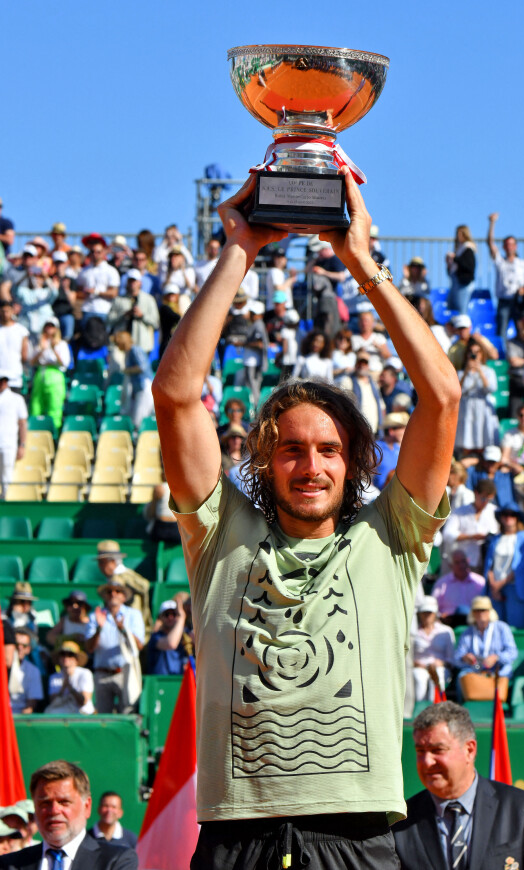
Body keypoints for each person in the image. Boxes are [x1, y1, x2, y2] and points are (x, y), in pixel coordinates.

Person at [152, 168, 460, 869]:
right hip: (238, 838)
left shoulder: (391, 537)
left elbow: (442, 395)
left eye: (329, 450)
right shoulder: (219, 536)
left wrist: (361, 260)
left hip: (358, 836)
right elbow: (175, 395)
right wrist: (240, 246)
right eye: (291, 450)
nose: (311, 466)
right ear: (265, 461)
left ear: (353, 463)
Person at [393, 701, 524, 869]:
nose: (427, 762)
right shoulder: (401, 822)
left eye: (437, 750)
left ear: (469, 750)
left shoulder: (521, 810)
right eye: (420, 751)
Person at [0, 760, 138, 869]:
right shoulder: (9, 864)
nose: (54, 810)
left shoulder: (116, 861)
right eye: (45, 803)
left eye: (64, 802)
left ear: (87, 806)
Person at [84, 578, 145, 714]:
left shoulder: (133, 615)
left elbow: (139, 646)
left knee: (128, 713)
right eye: (109, 591)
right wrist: (99, 629)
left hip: (125, 672)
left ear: (124, 596)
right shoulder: (95, 616)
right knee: (103, 718)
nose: (113, 594)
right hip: (101, 673)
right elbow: (89, 648)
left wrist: (123, 630)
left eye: (118, 591)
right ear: (104, 595)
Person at [484, 502, 524, 628]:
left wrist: (501, 583)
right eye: (505, 514)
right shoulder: (495, 539)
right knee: (494, 626)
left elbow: (522, 566)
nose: (508, 517)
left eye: (512, 515)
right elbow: (489, 565)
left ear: (517, 518)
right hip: (495, 589)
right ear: (500, 517)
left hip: (514, 587)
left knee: (515, 626)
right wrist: (493, 586)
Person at [487, 212, 524, 343]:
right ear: (504, 247)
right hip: (504, 301)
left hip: (518, 302)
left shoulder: (522, 263)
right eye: (507, 244)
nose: (509, 247)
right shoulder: (500, 262)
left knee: (521, 330)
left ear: (516, 246)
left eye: (512, 244)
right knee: (501, 330)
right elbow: (490, 244)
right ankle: (500, 357)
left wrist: (523, 290)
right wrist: (492, 223)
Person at [454, 596, 518, 683]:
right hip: (474, 670)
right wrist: (465, 658)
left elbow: (512, 652)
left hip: (498, 670)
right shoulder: (467, 633)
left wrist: (497, 657)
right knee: (462, 677)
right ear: (472, 613)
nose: (480, 613)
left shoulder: (502, 628)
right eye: (477, 610)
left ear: (490, 612)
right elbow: (457, 657)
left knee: (504, 673)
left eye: (483, 610)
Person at [441, 478, 499, 573]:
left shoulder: (495, 511)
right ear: (476, 493)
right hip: (464, 564)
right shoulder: (460, 512)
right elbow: (447, 534)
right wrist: (471, 537)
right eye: (483, 498)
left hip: (486, 564)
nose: (485, 502)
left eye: (489, 500)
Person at [92, 541, 151, 632]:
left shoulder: (118, 579)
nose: (99, 566)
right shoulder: (124, 576)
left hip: (129, 630)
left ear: (112, 562)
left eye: (101, 562)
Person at [455, 338, 499, 454]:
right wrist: (466, 372)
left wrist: (480, 371)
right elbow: (457, 390)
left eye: (477, 352)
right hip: (466, 408)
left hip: (482, 407)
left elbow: (491, 388)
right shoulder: (460, 372)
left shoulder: (488, 371)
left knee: (482, 436)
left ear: (482, 354)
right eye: (471, 352)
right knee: (466, 436)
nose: (474, 355)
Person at [28, 319, 71, 430]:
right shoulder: (40, 344)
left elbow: (64, 363)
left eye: (51, 326)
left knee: (54, 407)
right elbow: (32, 362)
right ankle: (35, 430)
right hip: (41, 375)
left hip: (55, 377)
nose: (49, 329)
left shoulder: (62, 344)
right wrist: (42, 349)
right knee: (36, 406)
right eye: (47, 326)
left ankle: (53, 433)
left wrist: (53, 348)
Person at [412, 597, 455, 702]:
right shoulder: (413, 632)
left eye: (429, 612)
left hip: (440, 667)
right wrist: (417, 664)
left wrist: (442, 663)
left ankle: (436, 708)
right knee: (420, 679)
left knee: (438, 677)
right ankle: (418, 710)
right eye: (424, 612)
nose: (427, 615)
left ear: (435, 613)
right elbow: (409, 656)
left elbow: (451, 658)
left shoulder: (446, 631)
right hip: (419, 668)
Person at [107, 270, 159, 355]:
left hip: (141, 343)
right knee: (117, 365)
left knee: (141, 367)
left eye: (134, 281)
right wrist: (124, 314)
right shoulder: (119, 299)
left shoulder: (149, 299)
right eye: (130, 281)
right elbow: (109, 320)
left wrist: (142, 315)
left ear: (140, 283)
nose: (132, 283)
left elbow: (156, 323)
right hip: (121, 343)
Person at [112, 331, 154, 431]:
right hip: (138, 389)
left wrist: (126, 371)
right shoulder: (128, 352)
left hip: (144, 387)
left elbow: (142, 367)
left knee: (139, 419)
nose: (118, 347)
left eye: (118, 344)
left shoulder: (135, 349)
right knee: (133, 418)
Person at [431, 550, 485, 625]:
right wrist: (440, 616)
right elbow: (432, 605)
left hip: (474, 623)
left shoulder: (480, 582)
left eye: (463, 561)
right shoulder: (441, 584)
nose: (461, 565)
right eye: (457, 562)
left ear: (468, 561)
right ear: (451, 565)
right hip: (448, 623)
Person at [339, 350, 385, 436]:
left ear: (368, 365)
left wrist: (382, 425)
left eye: (365, 363)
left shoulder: (373, 384)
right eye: (359, 363)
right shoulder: (348, 381)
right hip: (357, 429)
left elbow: (382, 406)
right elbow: (342, 405)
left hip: (375, 431)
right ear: (356, 364)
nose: (362, 366)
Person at [76, 236, 120, 324]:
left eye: (98, 252)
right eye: (92, 252)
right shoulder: (84, 271)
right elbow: (78, 292)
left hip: (104, 311)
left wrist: (96, 292)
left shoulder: (111, 270)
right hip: (87, 310)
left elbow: (114, 293)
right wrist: (84, 293)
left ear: (103, 252)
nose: (95, 254)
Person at [45, 641, 95, 715]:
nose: (66, 658)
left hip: (83, 714)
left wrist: (70, 687)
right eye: (63, 654)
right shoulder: (54, 677)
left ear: (76, 659)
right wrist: (63, 687)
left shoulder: (85, 674)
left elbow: (83, 702)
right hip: (60, 714)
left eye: (70, 655)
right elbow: (53, 702)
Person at [0, 373, 27, 500]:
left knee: (7, 478)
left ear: (5, 382)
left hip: (8, 445)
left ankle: (6, 506)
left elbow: (22, 424)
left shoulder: (17, 399)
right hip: (7, 444)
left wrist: (22, 445)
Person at [146, 599, 188, 675]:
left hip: (179, 681)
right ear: (160, 617)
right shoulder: (155, 637)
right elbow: (171, 644)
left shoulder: (185, 634)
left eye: (174, 614)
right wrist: (182, 617)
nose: (170, 617)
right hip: (159, 683)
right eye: (166, 614)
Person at [10, 629, 44, 714]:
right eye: (17, 645)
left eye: (24, 646)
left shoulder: (33, 671)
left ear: (28, 649)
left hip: (20, 717)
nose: (20, 648)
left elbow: (30, 705)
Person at [446, 225, 477, 315]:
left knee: (461, 311)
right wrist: (449, 263)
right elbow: (451, 272)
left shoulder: (468, 249)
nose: (458, 236)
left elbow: (468, 266)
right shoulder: (458, 249)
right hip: (455, 283)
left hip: (463, 284)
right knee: (451, 308)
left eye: (460, 234)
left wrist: (455, 258)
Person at [373, 411, 409, 489]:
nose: (406, 432)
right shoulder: (375, 449)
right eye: (402, 429)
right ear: (391, 431)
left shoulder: (399, 449)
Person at [0, 300, 29, 394]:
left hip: (15, 378)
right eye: (3, 311)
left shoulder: (21, 330)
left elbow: (24, 356)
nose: (5, 314)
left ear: (12, 311)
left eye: (7, 311)